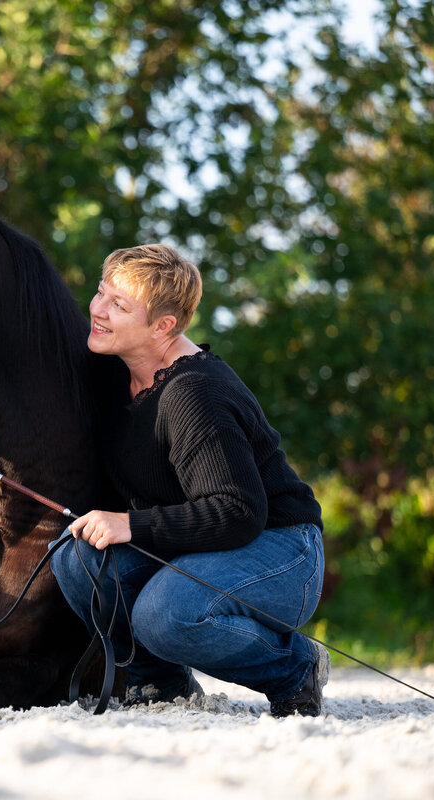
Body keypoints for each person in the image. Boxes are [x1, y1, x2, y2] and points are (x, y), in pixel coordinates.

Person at [51, 244, 328, 717]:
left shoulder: (193, 393)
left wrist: (131, 525)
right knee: (77, 557)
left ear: (163, 327)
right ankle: (160, 683)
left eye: (119, 306)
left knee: (165, 615)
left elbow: (238, 511)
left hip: (282, 550)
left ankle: (296, 668)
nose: (97, 310)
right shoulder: (120, 373)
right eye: (101, 293)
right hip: (203, 544)